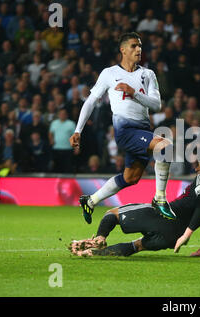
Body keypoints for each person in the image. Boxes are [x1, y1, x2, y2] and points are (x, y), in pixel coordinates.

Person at [69, 32, 174, 224]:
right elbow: (91, 101)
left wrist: (133, 93)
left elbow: (157, 105)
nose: (138, 49)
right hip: (125, 131)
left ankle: (90, 201)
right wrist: (78, 130)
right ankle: (160, 198)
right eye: (134, 46)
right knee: (165, 146)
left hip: (143, 129)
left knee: (131, 177)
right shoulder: (109, 74)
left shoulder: (148, 74)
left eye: (140, 46)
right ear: (122, 49)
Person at [69, 157, 200, 258]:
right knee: (137, 246)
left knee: (113, 214)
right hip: (171, 238)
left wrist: (187, 235)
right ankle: (93, 253)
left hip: (163, 217)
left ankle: (99, 239)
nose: (197, 169)